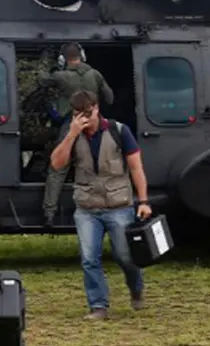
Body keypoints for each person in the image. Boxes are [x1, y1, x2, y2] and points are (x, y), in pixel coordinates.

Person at [49, 89, 151, 320]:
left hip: (119, 205)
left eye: (87, 112)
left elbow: (136, 168)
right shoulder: (72, 133)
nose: (84, 118)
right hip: (87, 208)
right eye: (78, 114)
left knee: (125, 256)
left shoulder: (119, 131)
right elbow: (56, 164)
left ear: (96, 108)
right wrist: (71, 135)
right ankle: (98, 306)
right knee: (89, 258)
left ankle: (136, 288)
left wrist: (143, 201)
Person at [39, 42, 115, 226]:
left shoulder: (59, 76)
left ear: (63, 59)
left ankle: (49, 213)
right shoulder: (95, 74)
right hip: (95, 125)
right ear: (82, 55)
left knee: (57, 170)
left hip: (71, 123)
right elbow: (110, 98)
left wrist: (44, 60)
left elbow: (42, 80)